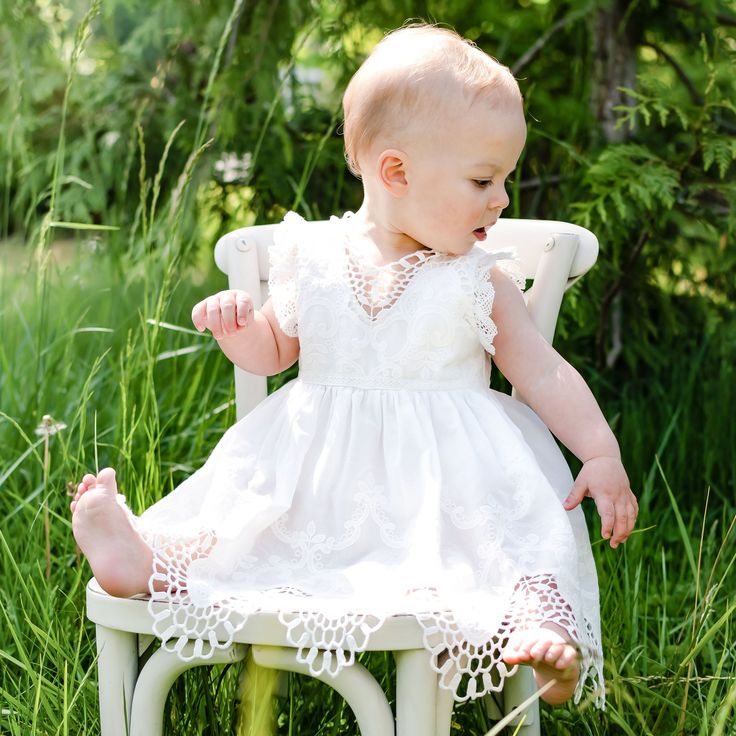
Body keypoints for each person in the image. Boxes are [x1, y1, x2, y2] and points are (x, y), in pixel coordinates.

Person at [71, 24, 637, 707]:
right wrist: (239, 328)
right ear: (396, 172)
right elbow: (275, 350)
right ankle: (146, 560)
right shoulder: (312, 257)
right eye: (484, 180)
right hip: (315, 485)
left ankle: (542, 641)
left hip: (446, 497)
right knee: (238, 537)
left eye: (505, 180)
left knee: (514, 554)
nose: (502, 200)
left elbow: (542, 373)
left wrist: (599, 452)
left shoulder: (478, 278)